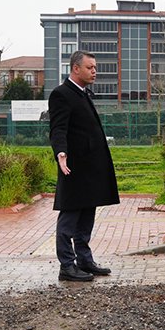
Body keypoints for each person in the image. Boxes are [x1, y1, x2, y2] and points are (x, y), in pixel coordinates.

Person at [49, 50, 120, 282]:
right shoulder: (61, 94)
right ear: (75, 68)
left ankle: (85, 260)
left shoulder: (83, 94)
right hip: (74, 167)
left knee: (87, 215)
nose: (94, 72)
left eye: (95, 68)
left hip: (91, 169)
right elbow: (58, 128)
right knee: (70, 216)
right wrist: (61, 153)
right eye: (90, 68)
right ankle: (67, 266)